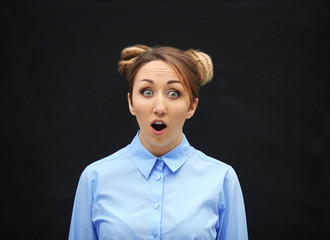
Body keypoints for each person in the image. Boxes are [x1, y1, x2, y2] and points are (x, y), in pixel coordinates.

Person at [69, 44, 248, 240]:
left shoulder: (222, 179)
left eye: (174, 93)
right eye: (147, 92)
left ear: (192, 106)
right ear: (131, 103)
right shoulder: (95, 178)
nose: (160, 107)